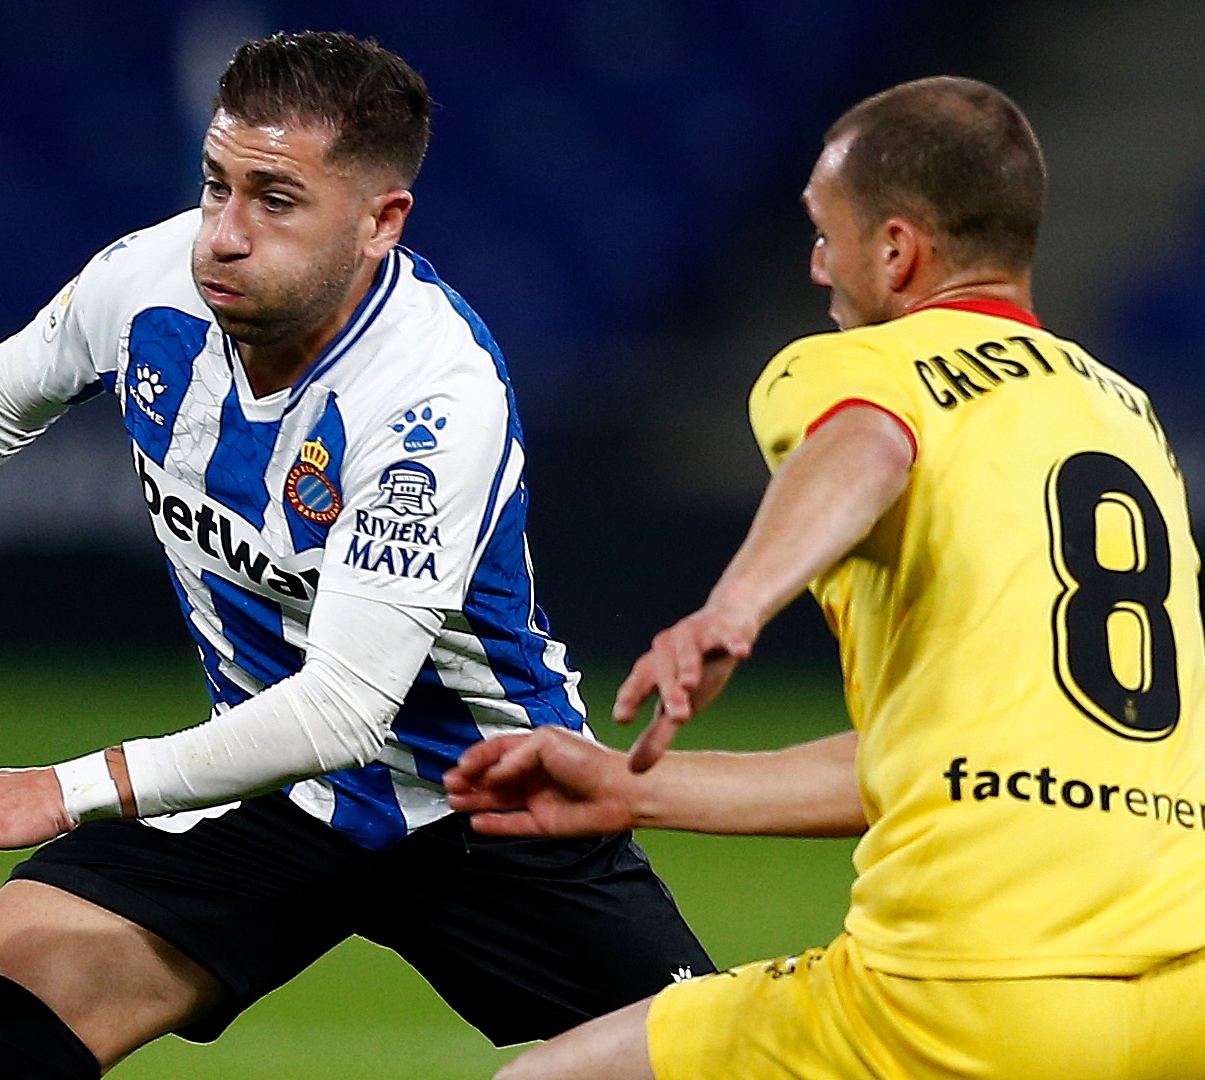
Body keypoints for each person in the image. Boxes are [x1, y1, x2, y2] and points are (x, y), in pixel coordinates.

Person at [0, 31, 712, 1080]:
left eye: (276, 200)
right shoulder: (152, 279)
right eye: (217, 186)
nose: (224, 236)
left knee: (722, 1066)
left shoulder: (430, 400)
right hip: (263, 782)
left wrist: (64, 789)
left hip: (482, 799)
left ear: (382, 222)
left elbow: (345, 709)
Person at [447, 75, 1205, 1080]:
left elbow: (867, 447)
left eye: (823, 230)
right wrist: (635, 789)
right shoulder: (1127, 418)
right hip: (1179, 988)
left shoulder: (867, 367)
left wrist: (735, 605)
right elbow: (936, 760)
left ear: (895, 251)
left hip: (965, 988)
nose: (815, 263)